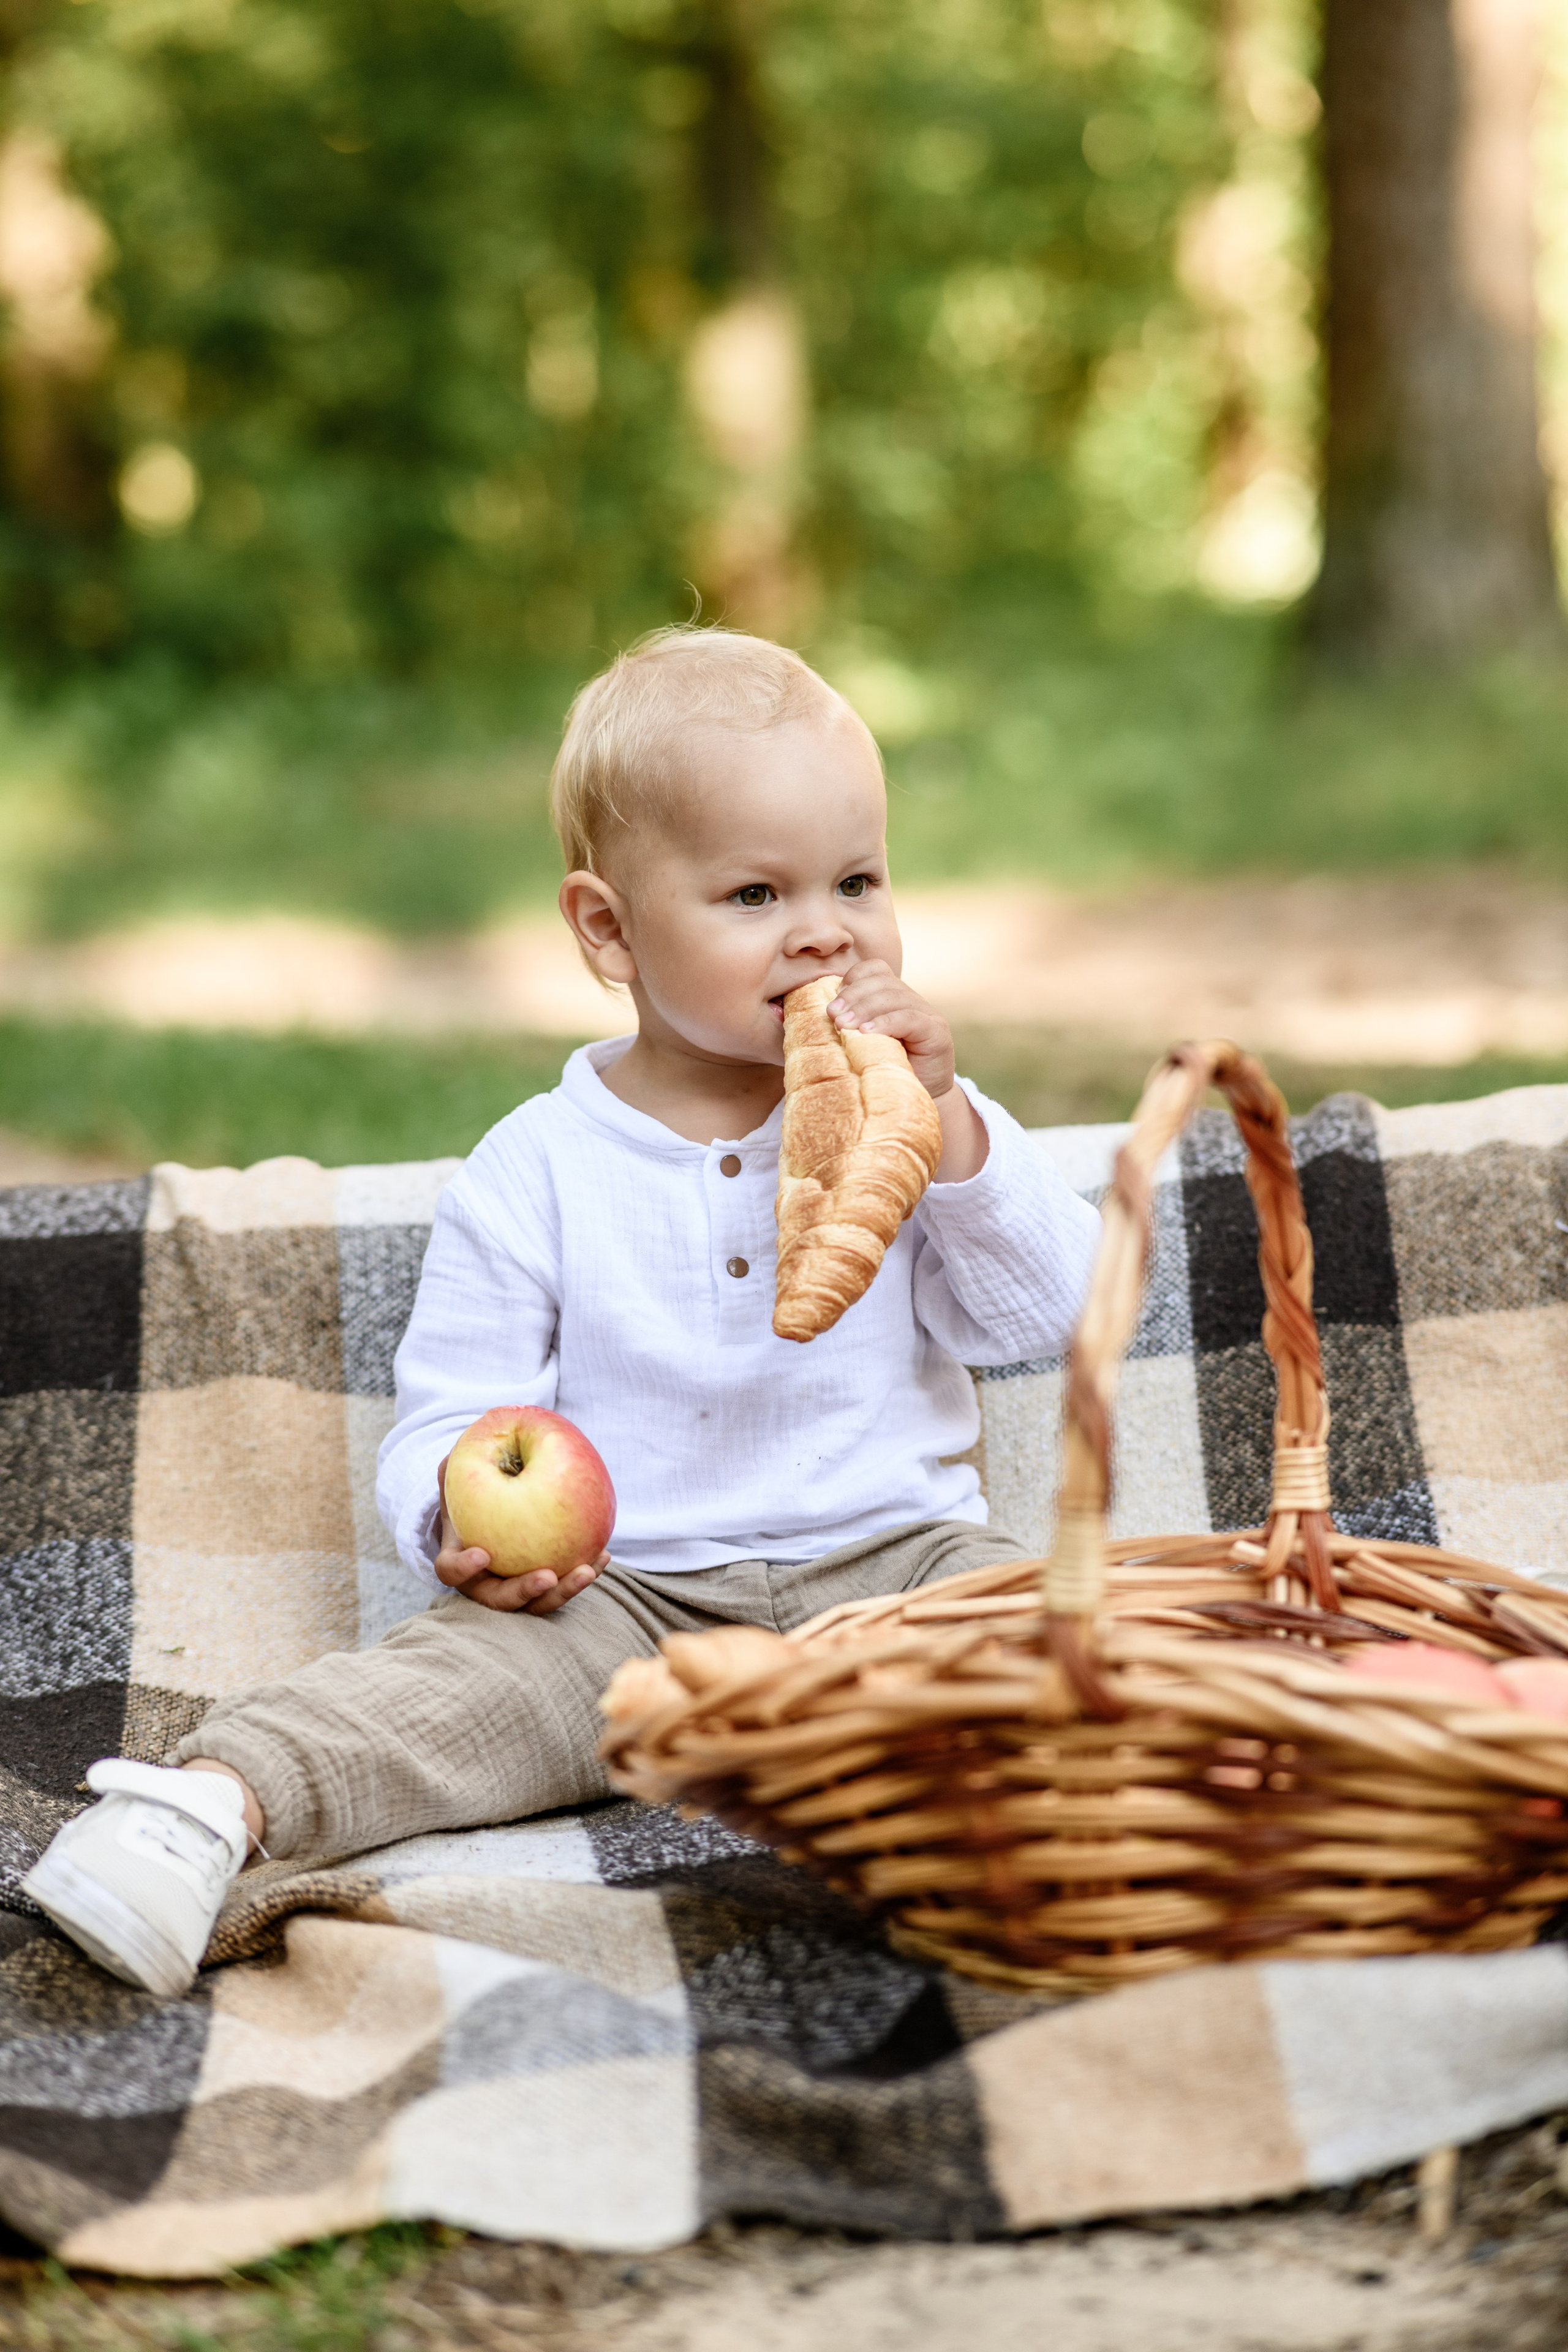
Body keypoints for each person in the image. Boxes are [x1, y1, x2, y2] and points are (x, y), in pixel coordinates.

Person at [23, 625, 1101, 1997]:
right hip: (628, 1601)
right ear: (608, 929)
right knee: (445, 1695)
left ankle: (1150, 1825)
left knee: (1056, 1645)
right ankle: (202, 1813)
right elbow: (457, 1418)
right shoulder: (535, 1166)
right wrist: (464, 1529)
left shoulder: (915, 1115)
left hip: (896, 1560)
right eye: (755, 893)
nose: (826, 930)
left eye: (857, 881)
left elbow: (1048, 1314)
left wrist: (949, 1123)